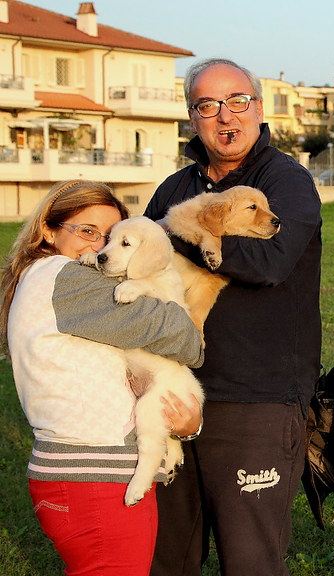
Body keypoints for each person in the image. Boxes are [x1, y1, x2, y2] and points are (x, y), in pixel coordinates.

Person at [143, 58, 323, 576]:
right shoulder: (177, 188)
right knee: (168, 558)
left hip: (255, 402)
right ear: (192, 117)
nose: (226, 116)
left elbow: (269, 261)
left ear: (259, 108)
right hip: (175, 390)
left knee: (250, 563)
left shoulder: (285, 182)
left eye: (238, 101)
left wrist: (184, 234)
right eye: (208, 105)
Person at [0, 180, 203, 576]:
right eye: (87, 231)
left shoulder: (40, 275)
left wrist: (186, 427)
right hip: (95, 478)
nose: (100, 248)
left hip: (83, 472)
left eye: (110, 237)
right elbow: (184, 339)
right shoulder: (66, 276)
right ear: (48, 229)